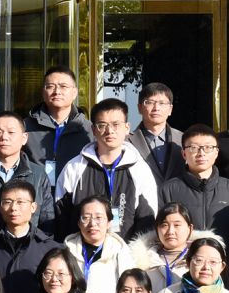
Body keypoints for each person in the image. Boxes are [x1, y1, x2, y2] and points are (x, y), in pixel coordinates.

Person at [55, 98, 157, 241]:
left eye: (116, 124)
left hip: (126, 252)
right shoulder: (74, 167)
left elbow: (147, 221)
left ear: (127, 128)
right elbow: (61, 218)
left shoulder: (140, 169)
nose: (109, 131)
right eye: (102, 125)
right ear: (93, 130)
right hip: (80, 251)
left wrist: (132, 254)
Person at [0, 180, 63, 293]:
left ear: (33, 207)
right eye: (7, 202)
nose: (13, 208)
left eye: (20, 202)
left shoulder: (51, 249)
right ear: (0, 207)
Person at [160, 126, 229, 241]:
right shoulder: (167, 190)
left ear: (216, 153)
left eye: (208, 147)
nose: (201, 153)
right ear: (184, 153)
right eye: (193, 148)